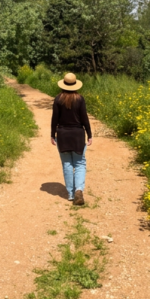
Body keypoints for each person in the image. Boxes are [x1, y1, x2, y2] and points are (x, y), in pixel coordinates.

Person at [51, 73, 93, 206]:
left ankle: (70, 194)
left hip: (62, 135)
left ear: (63, 85)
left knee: (67, 164)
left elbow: (54, 118)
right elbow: (84, 118)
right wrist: (89, 134)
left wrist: (52, 134)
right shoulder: (80, 99)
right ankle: (78, 190)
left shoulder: (58, 99)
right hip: (77, 135)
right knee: (79, 163)